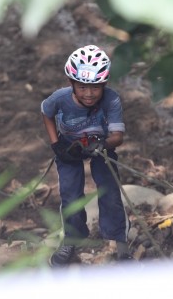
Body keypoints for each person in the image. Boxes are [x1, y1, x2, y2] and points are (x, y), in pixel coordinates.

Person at [41, 45, 132, 266]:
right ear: (72, 83)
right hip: (69, 146)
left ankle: (118, 242)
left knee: (109, 192)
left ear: (104, 85)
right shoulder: (60, 98)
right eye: (82, 87)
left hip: (100, 145)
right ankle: (73, 238)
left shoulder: (111, 99)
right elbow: (46, 113)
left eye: (95, 88)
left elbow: (117, 136)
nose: (89, 94)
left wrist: (100, 143)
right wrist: (56, 144)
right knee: (70, 195)